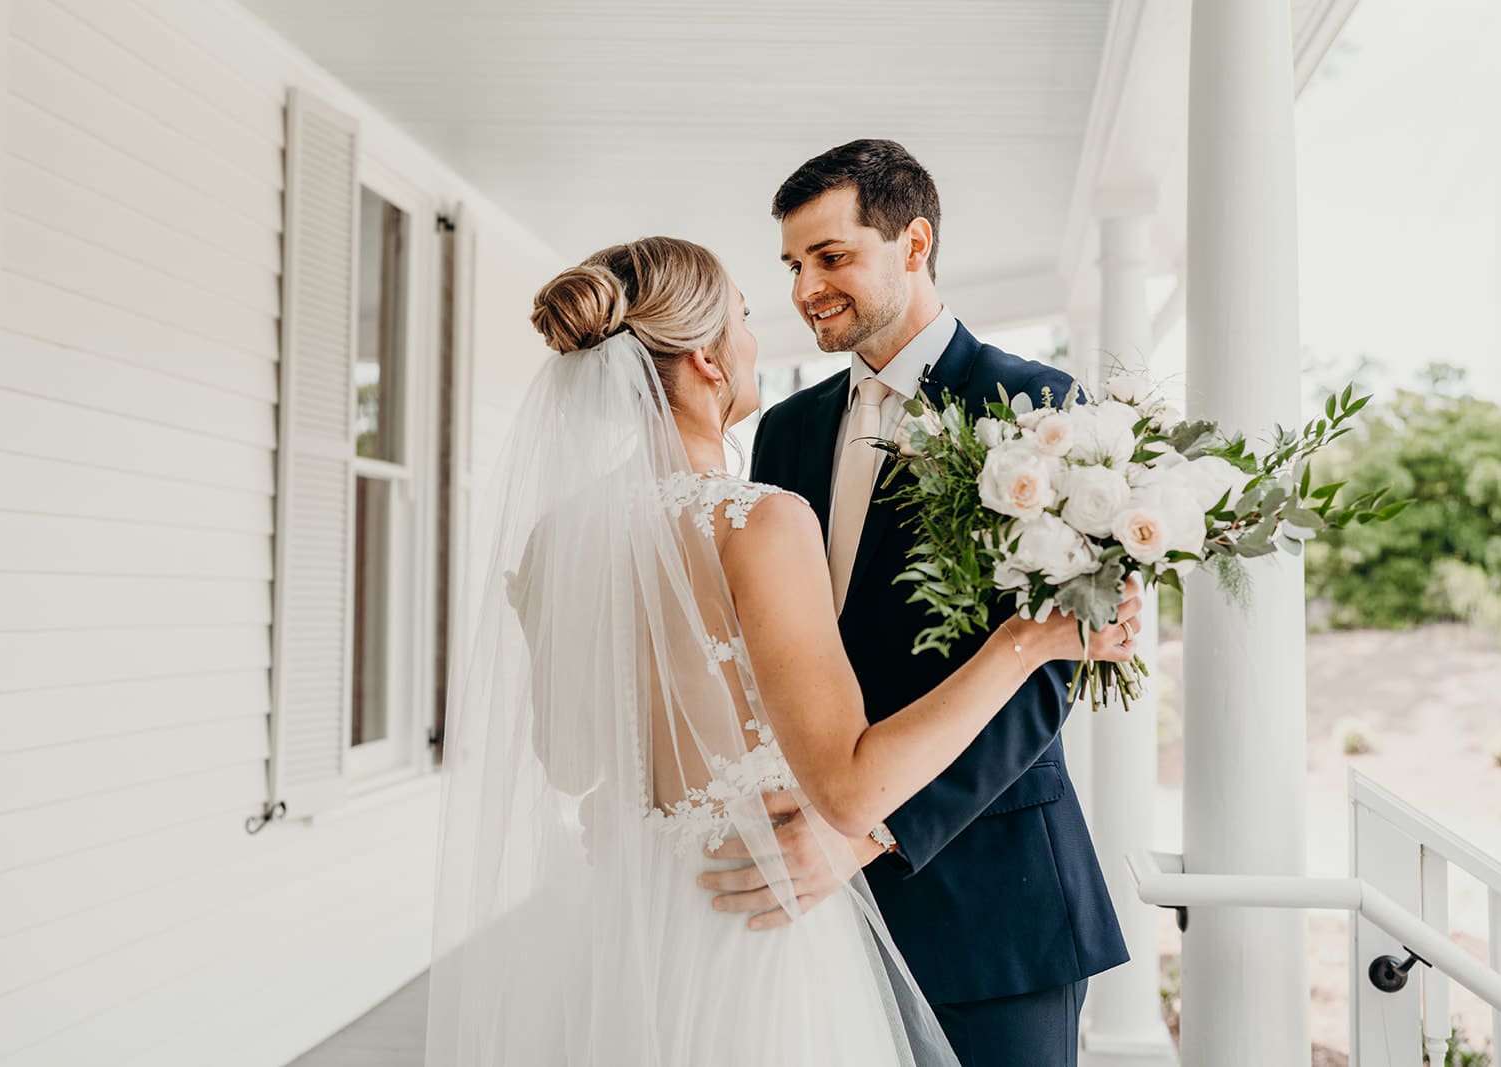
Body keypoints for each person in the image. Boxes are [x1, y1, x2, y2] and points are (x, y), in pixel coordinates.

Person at [423, 235, 1140, 1066]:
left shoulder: (558, 539)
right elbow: (847, 787)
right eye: (744, 316)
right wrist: (1024, 643)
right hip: (758, 932)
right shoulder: (761, 519)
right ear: (705, 361)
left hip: (638, 924)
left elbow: (570, 761)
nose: (760, 334)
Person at [704, 140, 1130, 1067]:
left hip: (992, 897)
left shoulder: (1036, 402)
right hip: (819, 918)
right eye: (792, 265)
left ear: (913, 242)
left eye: (831, 256)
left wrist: (866, 835)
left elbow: (1048, 670)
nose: (806, 287)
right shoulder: (784, 431)